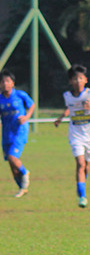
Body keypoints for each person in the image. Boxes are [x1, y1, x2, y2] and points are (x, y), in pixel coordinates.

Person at [53, 65, 90, 207]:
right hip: (75, 135)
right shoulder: (67, 96)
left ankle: (82, 181)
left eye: (80, 78)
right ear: (70, 81)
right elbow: (69, 108)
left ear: (85, 80)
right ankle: (82, 197)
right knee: (80, 163)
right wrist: (60, 118)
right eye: (75, 79)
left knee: (86, 166)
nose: (78, 81)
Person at [0, 69, 34, 198]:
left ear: (13, 83)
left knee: (12, 157)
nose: (5, 84)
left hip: (20, 131)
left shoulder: (20, 95)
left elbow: (32, 105)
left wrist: (26, 117)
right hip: (6, 133)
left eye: (7, 81)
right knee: (12, 165)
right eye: (2, 81)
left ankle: (25, 173)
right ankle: (22, 188)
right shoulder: (0, 99)